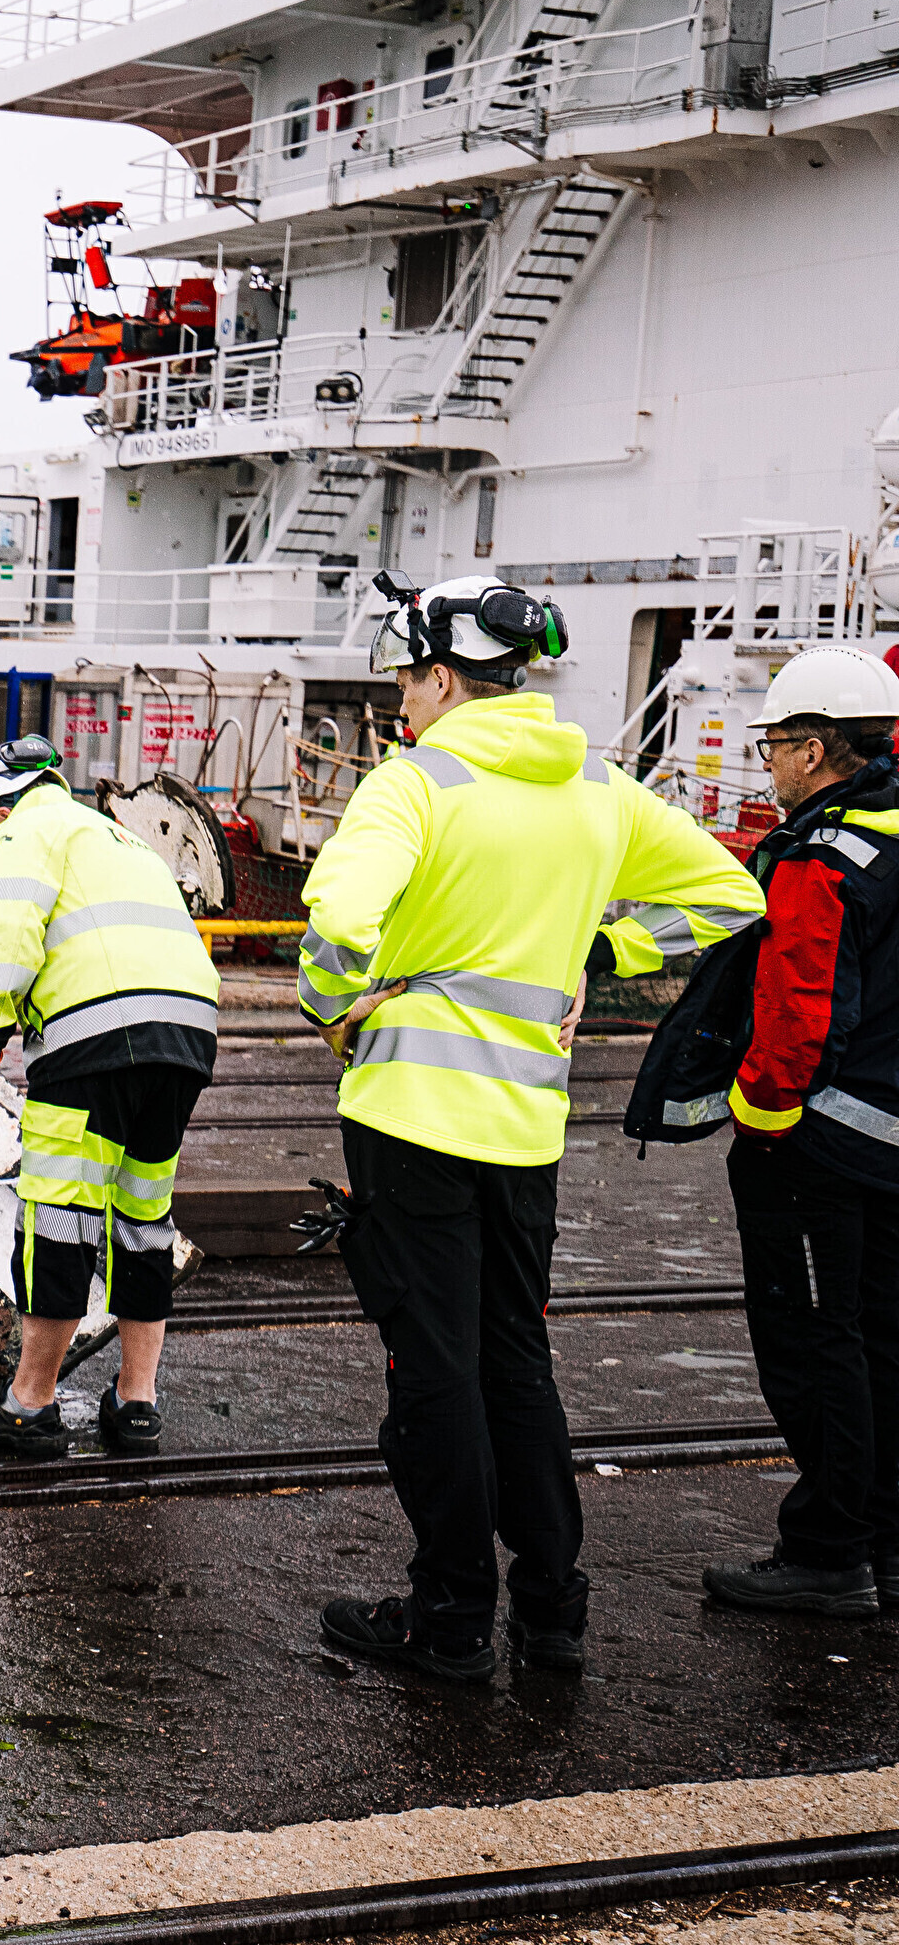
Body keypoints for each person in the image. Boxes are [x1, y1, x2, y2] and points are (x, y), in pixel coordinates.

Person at [300, 575, 763, 1682]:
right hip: (525, 1133)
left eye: (406, 678)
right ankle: (552, 1611)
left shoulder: (414, 782)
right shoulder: (598, 786)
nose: (400, 699)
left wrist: (333, 1007)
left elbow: (339, 925)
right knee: (516, 1361)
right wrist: (602, 953)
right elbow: (732, 897)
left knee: (434, 1374)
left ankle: (450, 1618)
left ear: (442, 676)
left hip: (410, 1121)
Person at [0, 735, 222, 1460]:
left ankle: (29, 1406)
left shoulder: (26, 828)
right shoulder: (118, 838)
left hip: (95, 1040)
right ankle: (136, 1404)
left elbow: (7, 937)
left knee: (58, 1218)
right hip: (187, 1037)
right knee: (142, 1218)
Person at [706, 647, 899, 1616]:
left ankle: (827, 1552)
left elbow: (797, 1019)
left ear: (815, 749)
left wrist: (760, 1124)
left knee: (813, 1346)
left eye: (775, 745)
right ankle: (885, 1541)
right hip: (892, 1143)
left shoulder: (820, 857)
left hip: (816, 1151)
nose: (770, 763)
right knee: (882, 1343)